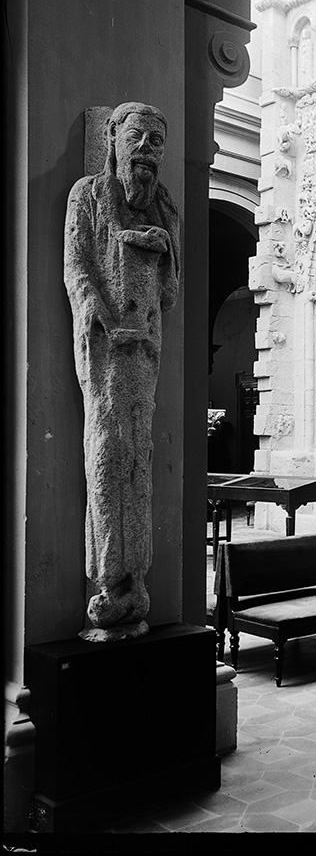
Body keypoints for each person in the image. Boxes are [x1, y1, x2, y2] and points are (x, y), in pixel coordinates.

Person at [64, 102, 180, 641]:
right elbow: (77, 268)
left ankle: (136, 580)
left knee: (140, 453)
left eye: (157, 141)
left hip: (145, 352)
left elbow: (171, 294)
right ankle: (110, 580)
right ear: (112, 137)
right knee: (107, 452)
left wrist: (163, 249)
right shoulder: (88, 195)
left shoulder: (163, 206)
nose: (147, 150)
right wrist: (103, 317)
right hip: (107, 351)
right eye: (138, 137)